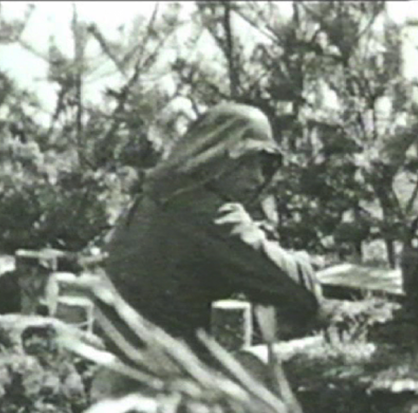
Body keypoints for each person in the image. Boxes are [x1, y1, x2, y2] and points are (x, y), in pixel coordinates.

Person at [102, 103, 322, 351]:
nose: (258, 177)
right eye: (248, 163)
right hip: (176, 363)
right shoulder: (212, 214)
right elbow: (301, 292)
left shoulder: (152, 200)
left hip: (132, 354)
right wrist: (305, 263)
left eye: (263, 166)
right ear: (214, 158)